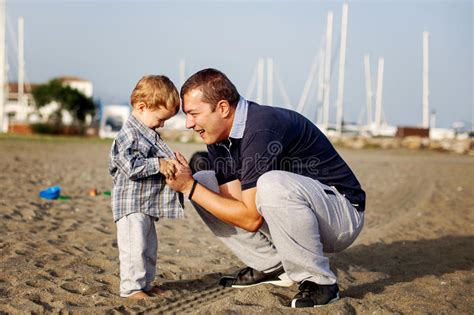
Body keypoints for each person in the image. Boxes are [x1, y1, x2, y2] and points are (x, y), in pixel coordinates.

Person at [167, 68, 366, 308]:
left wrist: (188, 187)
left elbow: (250, 219)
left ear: (222, 108)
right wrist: (193, 185)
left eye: (193, 114)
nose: (189, 123)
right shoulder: (219, 137)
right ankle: (271, 265)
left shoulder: (261, 127)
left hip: (341, 214)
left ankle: (320, 281)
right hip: (296, 209)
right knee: (205, 181)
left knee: (269, 184)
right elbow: (237, 204)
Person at [109, 75, 184, 300]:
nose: (162, 124)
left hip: (146, 204)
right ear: (141, 107)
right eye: (160, 119)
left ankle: (145, 284)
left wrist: (172, 164)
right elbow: (129, 166)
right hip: (131, 205)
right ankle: (131, 288)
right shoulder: (128, 135)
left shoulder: (148, 135)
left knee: (149, 248)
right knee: (134, 248)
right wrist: (159, 164)